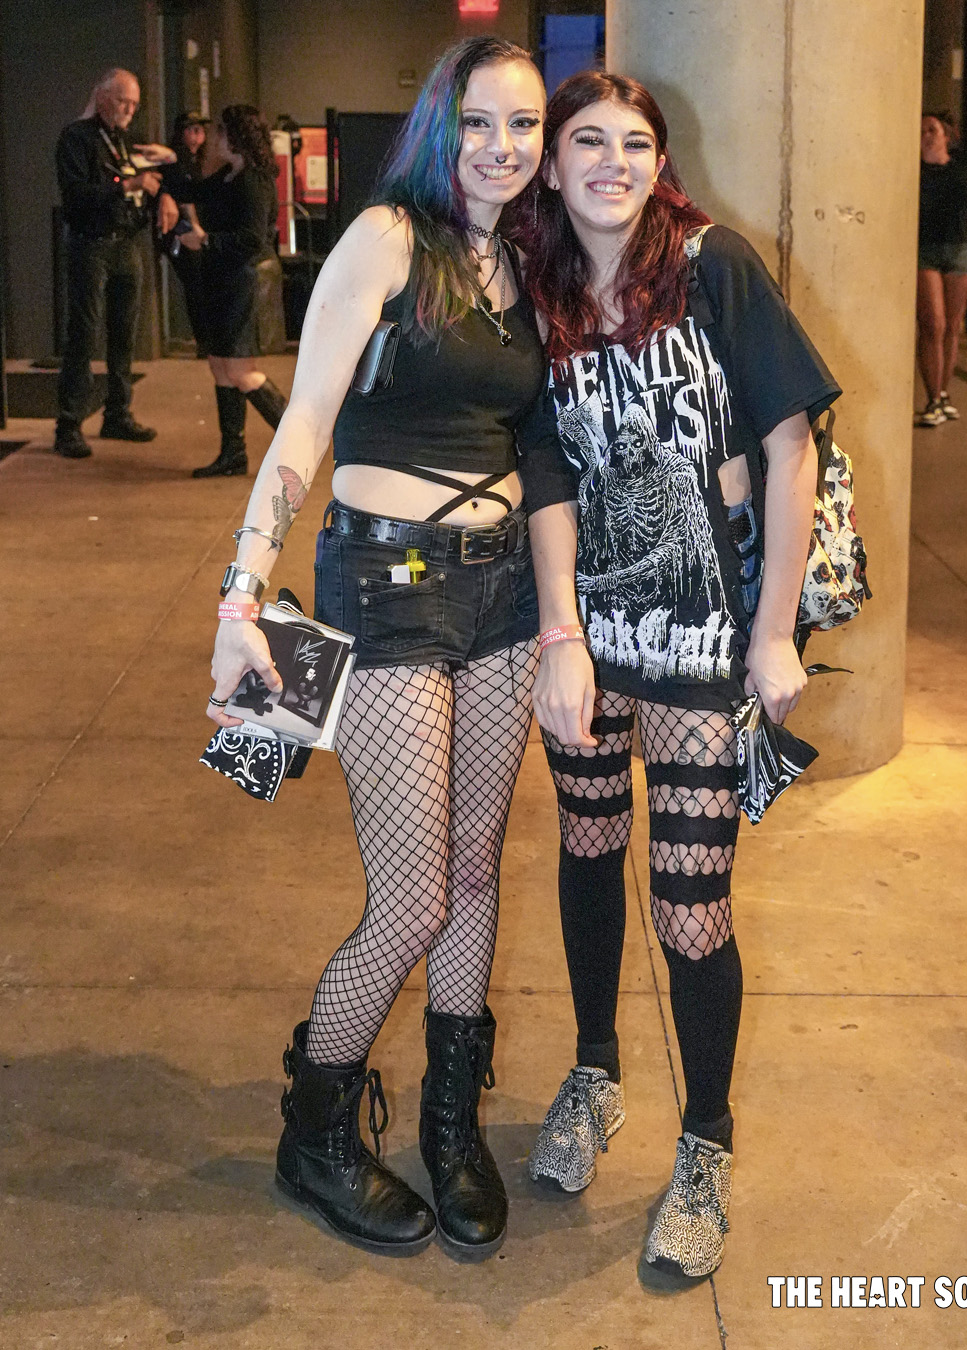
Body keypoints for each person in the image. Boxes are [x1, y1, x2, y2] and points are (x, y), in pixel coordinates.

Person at [204, 38, 571, 1258]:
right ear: (439, 126)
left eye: (524, 125)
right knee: (412, 894)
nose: (502, 147)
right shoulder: (386, 239)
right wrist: (242, 596)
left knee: (472, 875)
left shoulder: (525, 261)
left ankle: (450, 1127)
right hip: (387, 585)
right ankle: (312, 1132)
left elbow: (538, 443)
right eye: (481, 122)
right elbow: (304, 421)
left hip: (502, 593)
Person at [515, 70, 840, 1279]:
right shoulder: (541, 290)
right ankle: (595, 1072)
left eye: (635, 143)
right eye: (587, 141)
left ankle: (706, 1142)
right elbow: (547, 470)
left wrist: (773, 632)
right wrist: (561, 634)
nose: (612, 162)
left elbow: (791, 445)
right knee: (588, 849)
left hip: (707, 636)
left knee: (691, 903)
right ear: (552, 165)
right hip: (594, 629)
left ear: (661, 163)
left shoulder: (714, 268)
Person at [163, 105, 288, 478]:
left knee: (240, 371)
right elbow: (189, 190)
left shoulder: (253, 181)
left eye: (219, 131)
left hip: (243, 284)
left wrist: (205, 240)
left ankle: (300, 437)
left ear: (235, 137)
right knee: (220, 365)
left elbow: (252, 239)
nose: (214, 138)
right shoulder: (231, 175)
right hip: (223, 280)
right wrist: (169, 161)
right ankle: (233, 453)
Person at [54, 68, 165, 459]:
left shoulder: (126, 140)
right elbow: (76, 195)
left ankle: (117, 413)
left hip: (126, 244)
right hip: (91, 245)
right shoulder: (77, 138)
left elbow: (147, 180)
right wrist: (126, 186)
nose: (129, 110)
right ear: (101, 96)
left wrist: (162, 194)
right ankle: (69, 424)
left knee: (124, 334)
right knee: (84, 334)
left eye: (134, 104)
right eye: (122, 101)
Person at [915, 112, 967, 427]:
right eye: (922, 131)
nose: (926, 135)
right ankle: (932, 398)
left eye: (932, 129)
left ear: (946, 135)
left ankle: (943, 393)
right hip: (925, 250)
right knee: (932, 324)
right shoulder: (913, 170)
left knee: (952, 326)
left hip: (961, 250)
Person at [160, 111, 212, 357]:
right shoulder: (176, 160)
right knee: (196, 284)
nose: (198, 135)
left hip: (192, 228)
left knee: (200, 283)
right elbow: (184, 197)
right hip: (180, 230)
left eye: (200, 130)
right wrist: (195, 225)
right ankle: (204, 341)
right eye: (192, 129)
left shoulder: (196, 160)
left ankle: (206, 339)